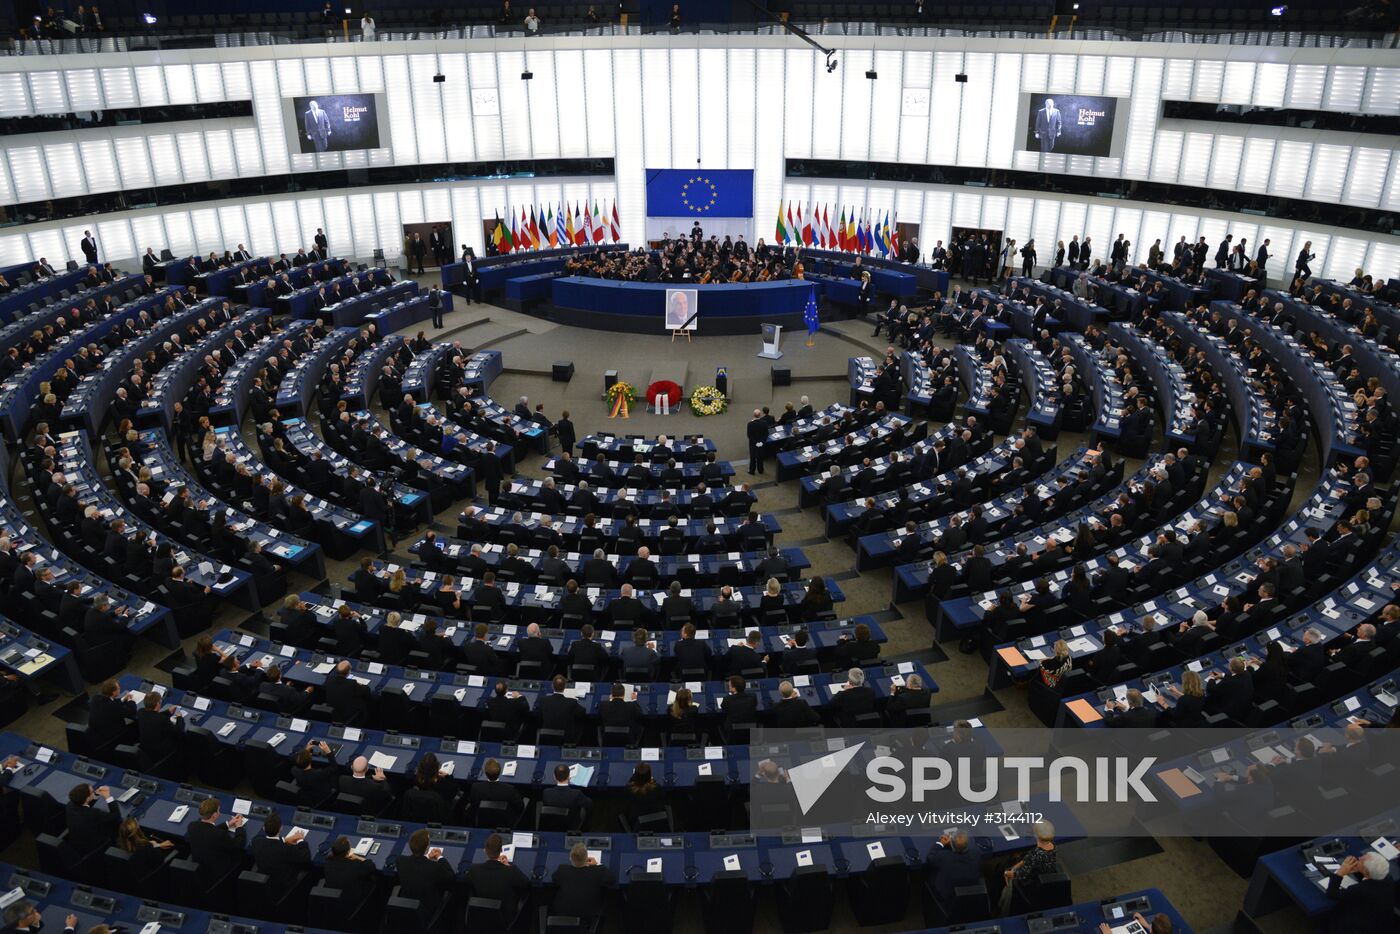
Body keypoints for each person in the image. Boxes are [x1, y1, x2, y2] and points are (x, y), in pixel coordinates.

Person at [466, 833, 530, 926]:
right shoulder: (511, 871)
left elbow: (465, 882)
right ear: (501, 850)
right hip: (505, 921)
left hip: (480, 920)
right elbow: (526, 883)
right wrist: (508, 865)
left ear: (485, 850)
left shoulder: (473, 870)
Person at [1325, 852, 1393, 932]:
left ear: (1366, 871)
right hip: (1382, 920)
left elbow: (1332, 893)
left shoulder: (1359, 890)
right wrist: (1358, 870)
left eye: (1361, 860)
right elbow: (1369, 876)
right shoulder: (1388, 878)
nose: (1359, 858)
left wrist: (1340, 873)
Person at [1000, 820, 1059, 911]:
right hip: (1045, 873)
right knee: (1017, 859)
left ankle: (1002, 906)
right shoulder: (1052, 844)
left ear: (1035, 835)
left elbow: (1019, 874)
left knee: (1002, 871)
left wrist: (1007, 873)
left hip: (1031, 884)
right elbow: (1029, 859)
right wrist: (1017, 865)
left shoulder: (1035, 855)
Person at [552, 842, 616, 922]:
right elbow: (612, 880)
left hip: (564, 912)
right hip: (589, 914)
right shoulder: (598, 871)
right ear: (587, 858)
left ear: (570, 858)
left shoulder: (562, 869)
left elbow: (554, 880)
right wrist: (597, 864)